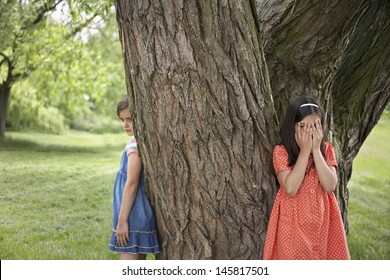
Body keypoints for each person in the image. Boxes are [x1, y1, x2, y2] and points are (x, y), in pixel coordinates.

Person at [263, 96, 350, 260]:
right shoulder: (281, 152)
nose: (310, 132)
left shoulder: (327, 150)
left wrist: (316, 150)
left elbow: (330, 185)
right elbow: (290, 188)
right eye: (303, 126)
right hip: (293, 225)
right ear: (292, 127)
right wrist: (304, 152)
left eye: (315, 126)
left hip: (323, 223)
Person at [109, 96, 160, 260]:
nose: (125, 124)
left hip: (132, 217)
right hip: (136, 215)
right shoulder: (138, 141)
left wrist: (122, 220)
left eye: (130, 119)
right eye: (122, 120)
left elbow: (131, 182)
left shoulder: (134, 144)